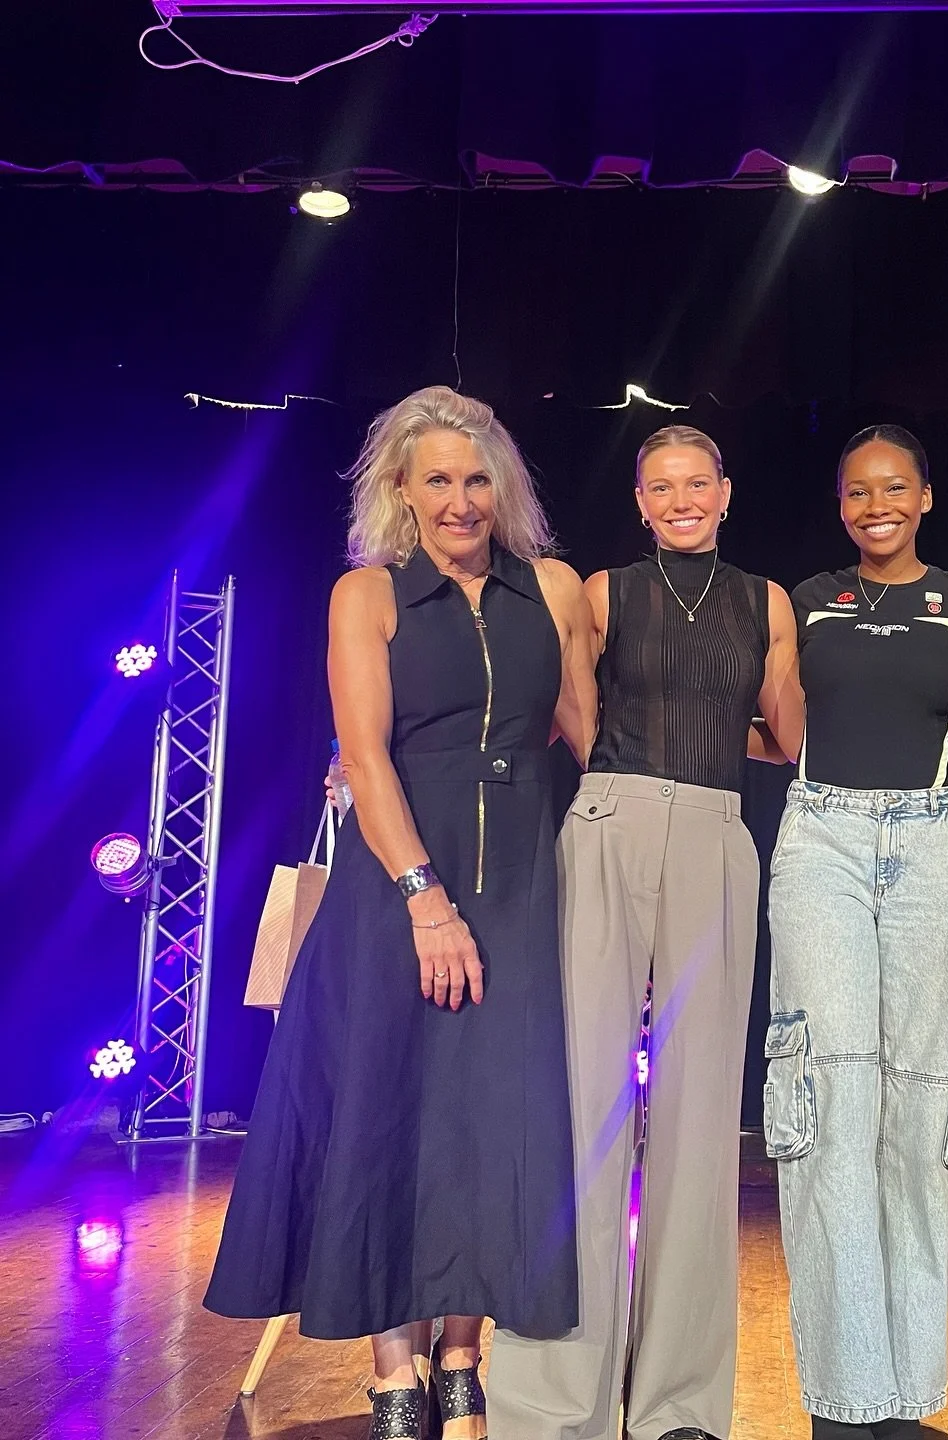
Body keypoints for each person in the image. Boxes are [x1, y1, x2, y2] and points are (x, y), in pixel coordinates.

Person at [204, 385, 597, 1440]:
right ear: (401, 491)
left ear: (501, 487)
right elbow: (365, 758)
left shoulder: (551, 587)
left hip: (519, 887)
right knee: (388, 1116)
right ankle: (392, 1373)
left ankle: (463, 1358)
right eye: (438, 480)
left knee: (483, 1122)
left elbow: (589, 740)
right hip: (398, 895)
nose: (461, 501)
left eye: (477, 479)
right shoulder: (366, 595)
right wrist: (426, 901)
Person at [486, 424, 802, 1440]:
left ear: (724, 490)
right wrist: (626, 789)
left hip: (718, 829)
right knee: (583, 1110)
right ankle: (550, 1402)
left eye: (695, 483)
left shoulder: (769, 601)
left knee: (703, 1119)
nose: (680, 500)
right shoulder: (604, 592)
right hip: (611, 819)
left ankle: (679, 1405)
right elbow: (574, 713)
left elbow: (787, 735)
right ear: (639, 501)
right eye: (660, 486)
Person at [764, 426, 948, 1438]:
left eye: (896, 487)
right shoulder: (804, 601)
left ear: (927, 497)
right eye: (858, 491)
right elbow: (765, 723)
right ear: (840, 504)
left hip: (933, 840)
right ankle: (844, 1401)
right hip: (824, 841)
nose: (877, 505)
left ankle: (906, 1399)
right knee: (828, 1101)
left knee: (918, 1110)